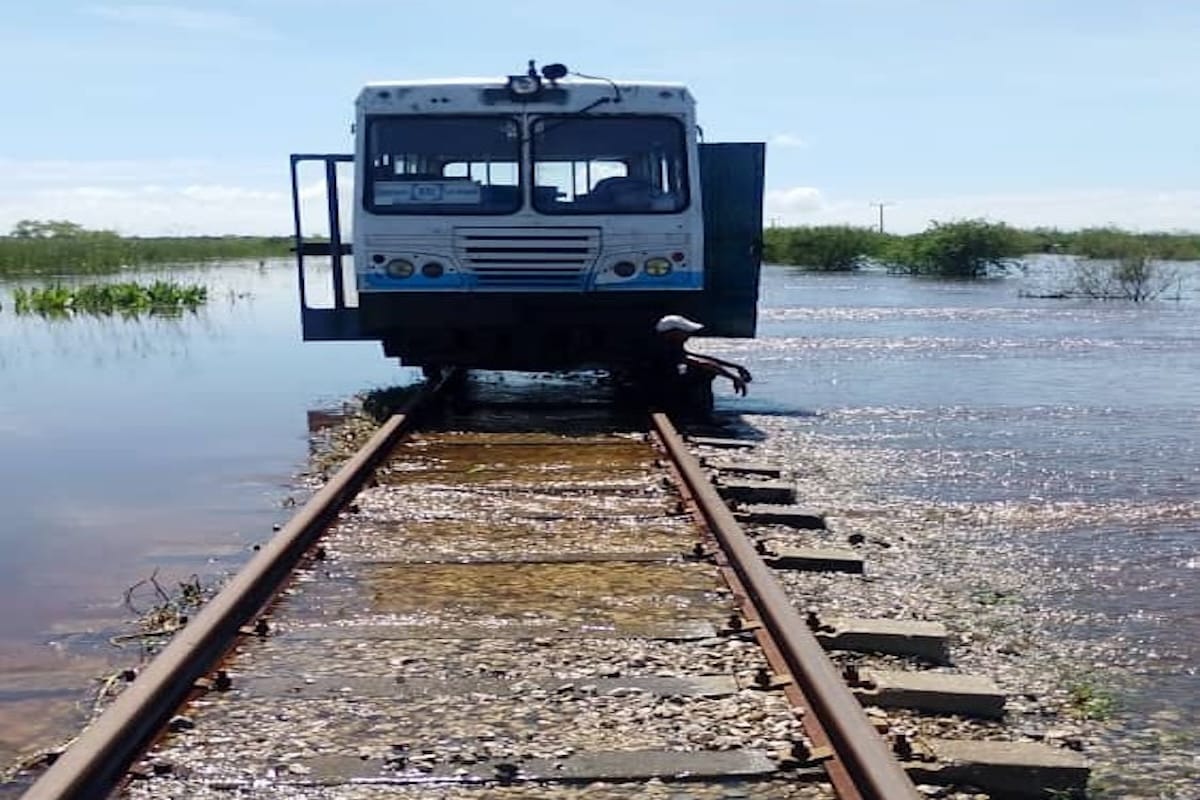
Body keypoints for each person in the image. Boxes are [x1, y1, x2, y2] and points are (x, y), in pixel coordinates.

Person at [641, 314, 752, 413]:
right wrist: (733, 377)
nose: (689, 334)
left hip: (664, 381)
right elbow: (702, 363)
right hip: (661, 385)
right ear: (674, 333)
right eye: (685, 331)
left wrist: (736, 366)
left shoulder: (668, 343)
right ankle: (700, 414)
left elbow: (699, 357)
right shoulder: (665, 348)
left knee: (705, 369)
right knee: (704, 373)